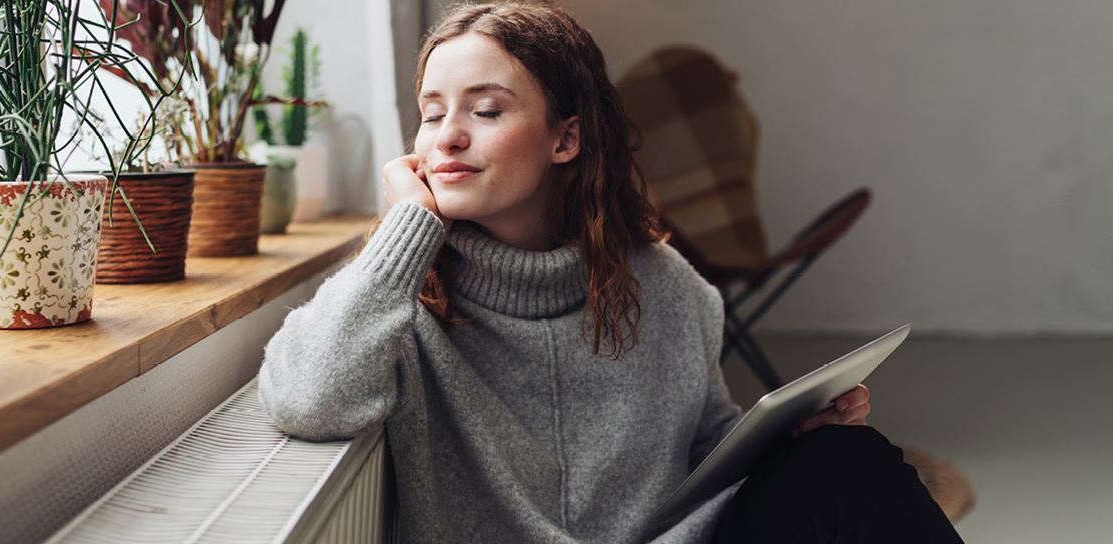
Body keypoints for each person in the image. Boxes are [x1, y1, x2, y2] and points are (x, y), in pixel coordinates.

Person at [257, 3, 964, 543]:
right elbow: (307, 401)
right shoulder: (396, 293)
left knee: (847, 460)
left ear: (566, 138)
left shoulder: (665, 284)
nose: (448, 136)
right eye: (431, 113)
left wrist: (789, 440)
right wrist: (408, 229)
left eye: (486, 109)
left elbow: (702, 442)